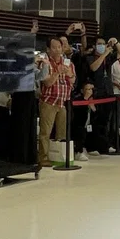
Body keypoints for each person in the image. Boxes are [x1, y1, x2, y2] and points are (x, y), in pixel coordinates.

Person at [37, 36, 76, 167]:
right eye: (54, 47)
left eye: (59, 47)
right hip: (49, 101)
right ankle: (43, 157)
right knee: (45, 132)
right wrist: (57, 73)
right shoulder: (45, 62)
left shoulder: (68, 62)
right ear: (48, 49)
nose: (57, 50)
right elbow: (47, 83)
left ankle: (60, 156)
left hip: (63, 102)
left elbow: (73, 81)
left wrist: (69, 74)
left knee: (62, 132)